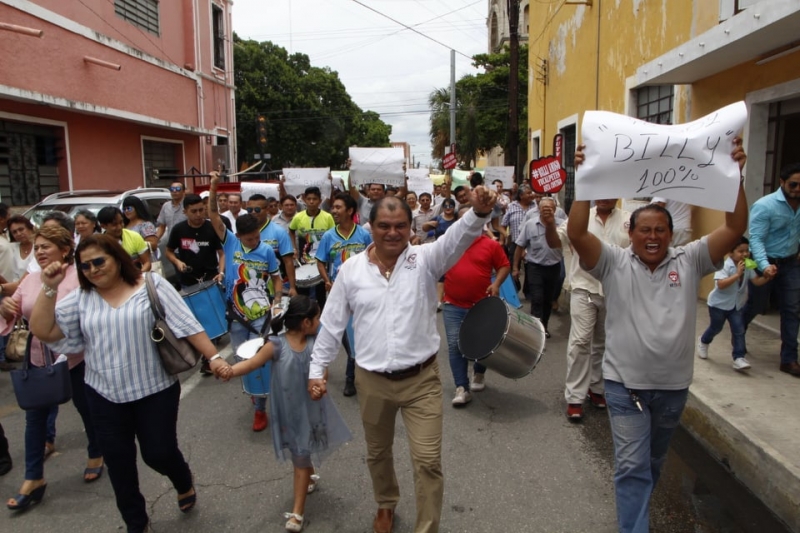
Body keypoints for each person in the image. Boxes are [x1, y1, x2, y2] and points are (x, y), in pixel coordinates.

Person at [566, 140, 747, 533]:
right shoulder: (613, 262)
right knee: (632, 465)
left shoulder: (691, 258)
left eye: (660, 230)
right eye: (644, 230)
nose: (653, 237)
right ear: (629, 233)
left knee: (651, 462)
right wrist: (583, 180)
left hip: (672, 389)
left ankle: (636, 512)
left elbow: (735, 228)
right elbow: (577, 233)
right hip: (624, 386)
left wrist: (735, 176)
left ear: (671, 233)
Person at [308, 188, 498, 533]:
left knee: (427, 461)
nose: (392, 232)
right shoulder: (351, 271)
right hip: (372, 381)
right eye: (384, 225)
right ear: (370, 227)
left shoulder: (426, 259)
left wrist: (478, 213)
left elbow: (456, 238)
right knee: (378, 452)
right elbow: (332, 323)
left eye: (400, 226)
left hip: (421, 382)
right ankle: (385, 503)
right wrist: (316, 370)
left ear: (411, 227)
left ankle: (426, 527)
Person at [30, 234, 229, 533]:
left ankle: (182, 480)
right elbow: (43, 330)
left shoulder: (151, 285)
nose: (93, 270)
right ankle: (136, 523)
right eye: (85, 266)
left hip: (155, 389)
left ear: (117, 258)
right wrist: (49, 287)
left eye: (99, 261)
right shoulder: (81, 299)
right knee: (119, 464)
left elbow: (187, 325)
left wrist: (214, 358)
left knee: (159, 453)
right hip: (103, 394)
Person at [223, 296, 352, 532]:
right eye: (317, 318)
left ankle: (297, 512)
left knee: (301, 455)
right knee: (299, 453)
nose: (320, 321)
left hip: (311, 410)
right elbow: (251, 364)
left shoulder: (316, 343)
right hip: (289, 413)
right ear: (305, 322)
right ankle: (306, 482)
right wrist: (230, 371)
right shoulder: (276, 345)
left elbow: (322, 373)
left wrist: (320, 385)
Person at [0, 226, 103, 510]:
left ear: (65, 249)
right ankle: (33, 477)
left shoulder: (80, 276)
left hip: (77, 359)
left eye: (46, 246)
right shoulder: (32, 279)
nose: (40, 252)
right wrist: (6, 308)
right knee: (34, 420)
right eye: (37, 248)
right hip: (38, 360)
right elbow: (15, 307)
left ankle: (96, 451)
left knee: (87, 409)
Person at [542, 198, 630, 420]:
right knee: (580, 342)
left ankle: (596, 387)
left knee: (602, 342)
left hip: (614, 291)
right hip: (584, 288)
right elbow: (554, 242)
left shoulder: (629, 220)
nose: (605, 197)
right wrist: (549, 225)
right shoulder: (580, 218)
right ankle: (575, 397)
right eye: (600, 192)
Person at [208, 175, 284, 431]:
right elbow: (213, 214)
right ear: (238, 235)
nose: (255, 242)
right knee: (243, 360)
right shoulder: (230, 242)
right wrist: (214, 186)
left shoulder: (266, 251)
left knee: (260, 360)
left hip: (261, 315)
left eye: (257, 237)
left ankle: (261, 408)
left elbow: (277, 279)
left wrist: (277, 302)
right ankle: (256, 396)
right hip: (236, 317)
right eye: (249, 239)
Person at [444, 206, 510, 406]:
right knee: (455, 345)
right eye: (465, 219)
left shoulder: (490, 245)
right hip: (453, 304)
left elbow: (504, 266)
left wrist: (496, 284)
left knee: (482, 344)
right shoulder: (448, 243)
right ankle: (461, 388)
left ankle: (479, 373)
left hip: (482, 305)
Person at [315, 193, 372, 397]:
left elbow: (373, 258)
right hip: (339, 295)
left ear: (350, 211)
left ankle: (355, 374)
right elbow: (320, 261)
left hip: (362, 293)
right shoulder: (328, 236)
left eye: (338, 207)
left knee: (359, 333)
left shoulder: (364, 235)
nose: (334, 211)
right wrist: (327, 280)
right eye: (333, 207)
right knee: (344, 334)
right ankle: (350, 374)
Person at [747, 162, 800, 377]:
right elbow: (756, 239)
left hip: (790, 263)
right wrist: (764, 265)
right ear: (782, 182)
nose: (797, 189)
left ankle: (789, 359)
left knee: (792, 309)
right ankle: (738, 335)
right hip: (762, 261)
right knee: (755, 304)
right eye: (793, 184)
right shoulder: (765, 206)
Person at [698, 237, 772, 371]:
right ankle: (703, 341)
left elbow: (756, 281)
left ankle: (739, 357)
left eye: (747, 251)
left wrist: (767, 277)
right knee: (716, 328)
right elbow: (720, 284)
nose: (745, 254)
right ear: (730, 252)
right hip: (718, 305)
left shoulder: (748, 265)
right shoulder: (724, 265)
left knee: (739, 330)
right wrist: (737, 274)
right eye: (740, 251)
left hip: (736, 306)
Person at [513, 196, 566, 337]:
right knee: (537, 298)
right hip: (535, 266)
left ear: (555, 210)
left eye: (550, 208)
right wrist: (515, 268)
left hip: (554, 266)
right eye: (544, 208)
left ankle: (544, 326)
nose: (547, 211)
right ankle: (535, 330)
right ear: (539, 210)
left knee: (548, 299)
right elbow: (520, 246)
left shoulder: (562, 225)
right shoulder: (530, 224)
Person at [165, 194, 224, 288]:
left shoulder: (212, 227)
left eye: (201, 210)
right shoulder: (178, 229)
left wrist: (221, 272)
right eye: (194, 211)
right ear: (185, 212)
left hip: (211, 278)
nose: (198, 214)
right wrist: (177, 261)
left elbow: (222, 253)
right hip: (188, 281)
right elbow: (168, 251)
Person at [289, 186, 335, 305]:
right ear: (304, 200)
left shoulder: (328, 217)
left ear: (320, 200)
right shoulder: (298, 217)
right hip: (304, 260)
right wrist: (294, 248)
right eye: (309, 199)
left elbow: (333, 235)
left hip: (322, 261)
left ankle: (321, 313)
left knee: (321, 292)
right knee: (303, 291)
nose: (311, 202)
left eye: (314, 199)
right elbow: (291, 230)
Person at [246, 193, 298, 298]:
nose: (253, 213)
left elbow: (288, 261)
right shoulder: (244, 232)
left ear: (267, 210)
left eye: (257, 209)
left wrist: (292, 287)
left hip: (277, 285)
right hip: (252, 286)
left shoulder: (279, 232)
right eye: (250, 210)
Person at [97, 207, 151, 272]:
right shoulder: (99, 244)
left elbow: (147, 263)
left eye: (121, 222)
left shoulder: (134, 236)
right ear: (103, 226)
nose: (119, 227)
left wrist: (139, 275)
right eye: (114, 224)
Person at [2, 215, 35, 297]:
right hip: (19, 291)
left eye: (21, 229)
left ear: (30, 228)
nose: (18, 234)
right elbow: (14, 276)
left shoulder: (39, 247)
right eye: (14, 232)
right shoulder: (12, 248)